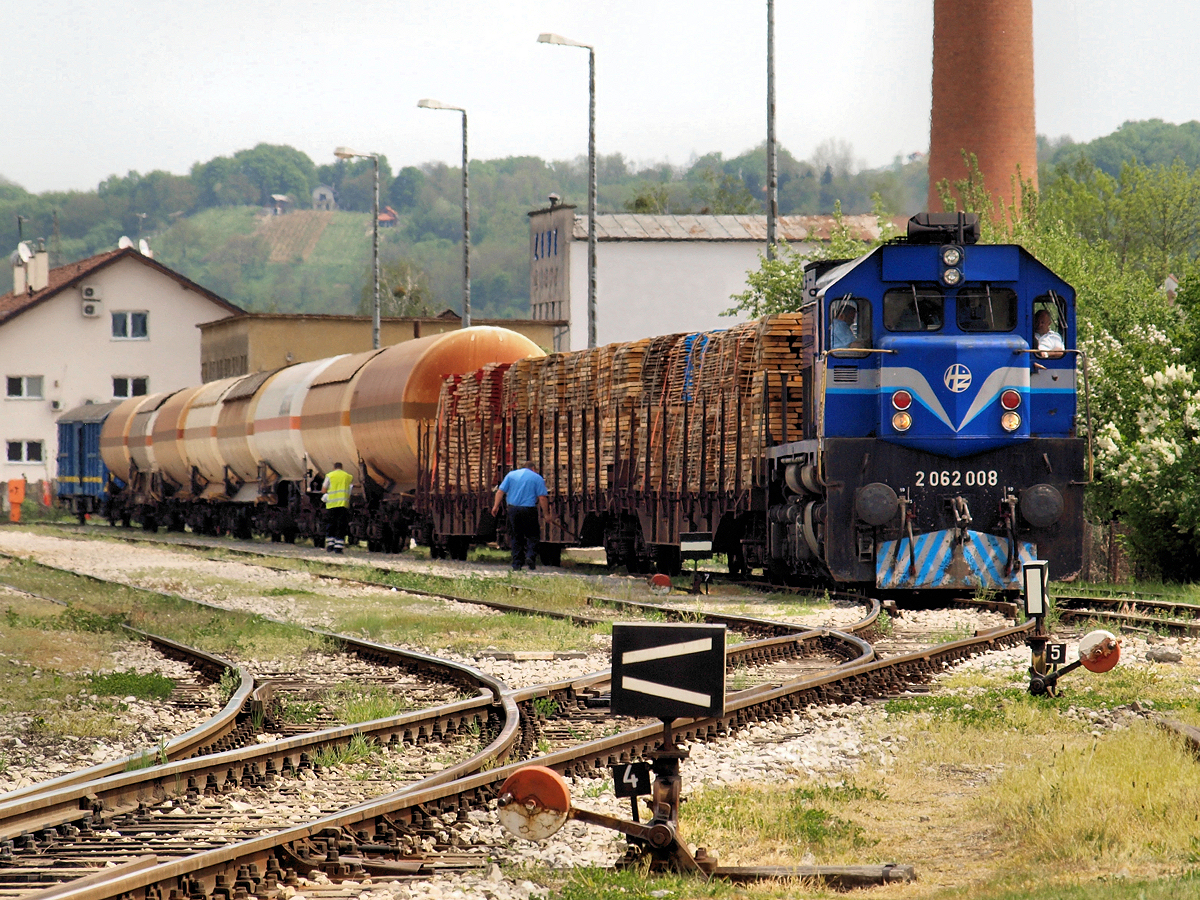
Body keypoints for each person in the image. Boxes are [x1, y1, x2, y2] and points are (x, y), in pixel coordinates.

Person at [491, 460, 549, 571]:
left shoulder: (511, 475)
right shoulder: (537, 478)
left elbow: (500, 491)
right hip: (529, 510)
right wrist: (546, 514)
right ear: (533, 468)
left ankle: (517, 564)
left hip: (513, 509)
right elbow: (542, 497)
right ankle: (530, 556)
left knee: (516, 536)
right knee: (533, 535)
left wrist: (495, 506)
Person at [321, 462, 353, 554]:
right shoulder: (348, 476)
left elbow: (323, 490)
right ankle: (338, 548)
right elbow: (350, 487)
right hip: (343, 504)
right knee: (341, 525)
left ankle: (330, 546)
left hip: (331, 505)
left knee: (331, 524)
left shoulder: (330, 475)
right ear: (342, 467)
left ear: (334, 467)